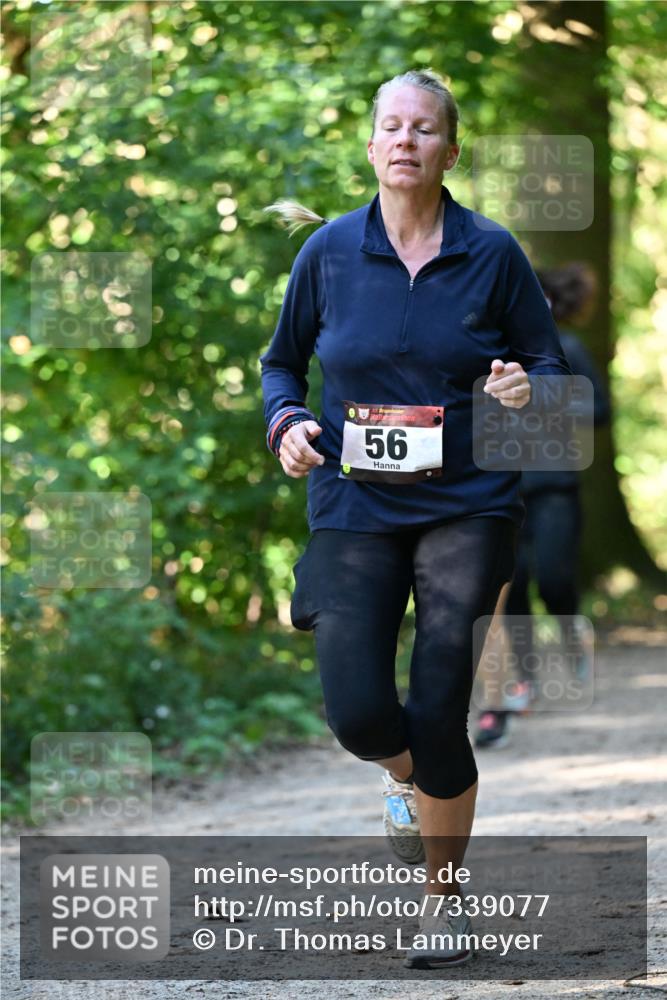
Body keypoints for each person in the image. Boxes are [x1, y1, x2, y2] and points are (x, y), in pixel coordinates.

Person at [260, 69, 571, 968]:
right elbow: (282, 366)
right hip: (354, 505)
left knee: (438, 706)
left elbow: (547, 366)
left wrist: (524, 383)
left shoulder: (492, 251)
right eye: (390, 126)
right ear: (370, 146)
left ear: (450, 150)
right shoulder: (324, 252)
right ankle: (403, 780)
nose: (405, 140)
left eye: (423, 128)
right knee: (360, 713)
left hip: (469, 502)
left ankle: (444, 901)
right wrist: (287, 422)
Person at [474, 263, 610, 750]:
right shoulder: (490, 358)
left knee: (553, 579)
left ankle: (573, 637)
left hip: (555, 487)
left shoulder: (567, 350)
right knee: (518, 586)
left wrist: (545, 399)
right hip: (505, 490)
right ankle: (524, 679)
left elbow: (599, 410)